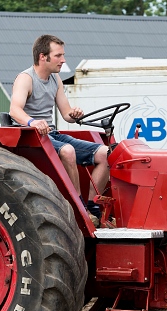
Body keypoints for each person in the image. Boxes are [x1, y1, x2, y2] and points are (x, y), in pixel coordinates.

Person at [9, 34, 109, 224]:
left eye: (63, 55)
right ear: (42, 56)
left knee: (106, 153)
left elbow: (66, 115)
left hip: (51, 134)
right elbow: (15, 110)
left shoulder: (55, 79)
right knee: (68, 151)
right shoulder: (25, 79)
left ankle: (92, 207)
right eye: (58, 56)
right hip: (32, 136)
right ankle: (78, 208)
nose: (63, 60)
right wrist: (33, 122)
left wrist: (75, 113)